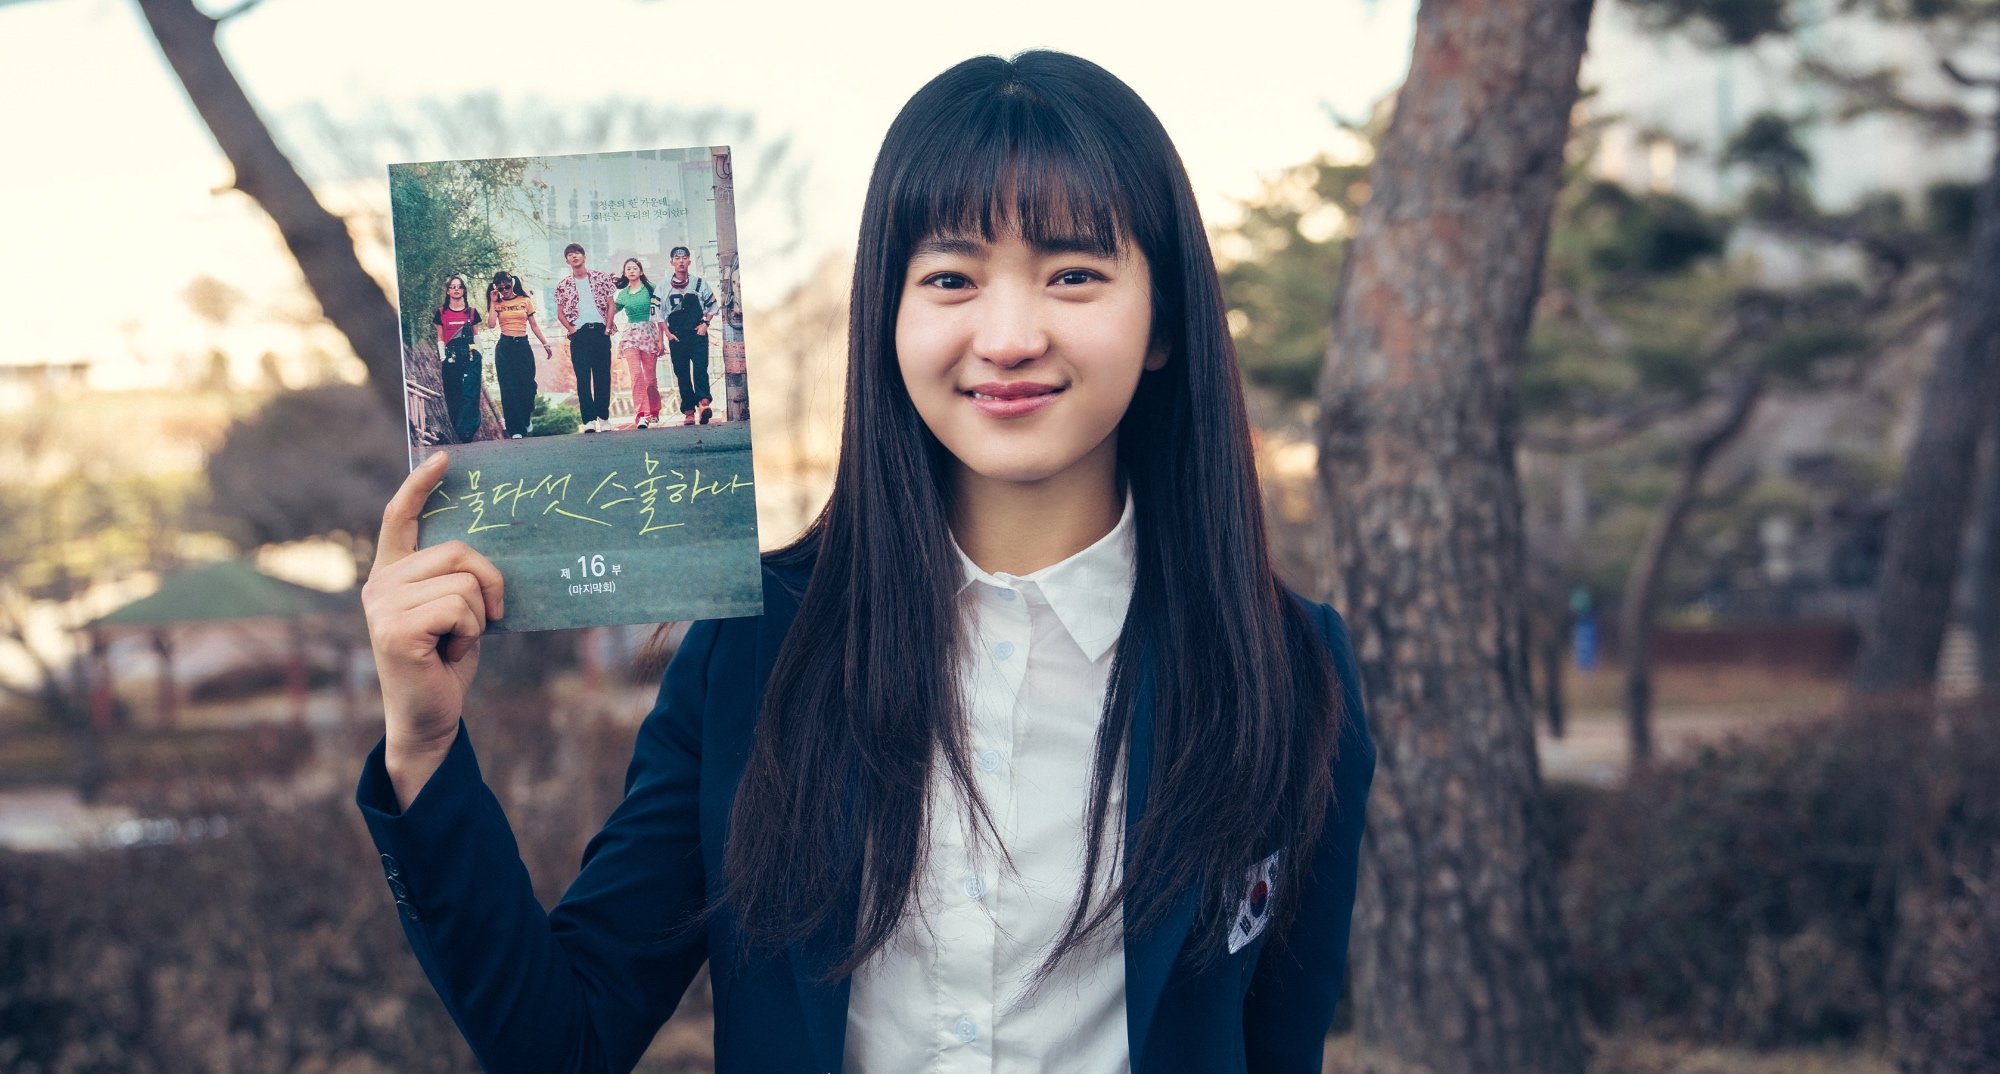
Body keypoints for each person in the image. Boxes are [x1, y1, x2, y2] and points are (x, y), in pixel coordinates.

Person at [358, 50, 1374, 1074]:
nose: (1009, 336)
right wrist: (424, 748)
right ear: (886, 317)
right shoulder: (755, 644)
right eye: (949, 279)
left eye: (1074, 275)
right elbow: (563, 1044)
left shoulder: (1287, 671)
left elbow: (1274, 1050)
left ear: (1162, 323)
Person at [554, 242, 619, 433]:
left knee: (602, 376)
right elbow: (560, 313)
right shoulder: (563, 285)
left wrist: (607, 328)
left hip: (600, 331)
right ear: (567, 260)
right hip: (579, 334)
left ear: (584, 256)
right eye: (570, 255)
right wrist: (571, 329)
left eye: (577, 253)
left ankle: (603, 418)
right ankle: (589, 420)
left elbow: (611, 305)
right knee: (582, 378)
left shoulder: (600, 278)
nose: (574, 257)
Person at [484, 272, 550, 439]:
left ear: (512, 284)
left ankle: (526, 416)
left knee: (528, 386)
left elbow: (534, 325)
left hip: (522, 345)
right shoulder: (497, 303)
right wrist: (492, 302)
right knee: (508, 389)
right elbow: (491, 324)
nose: (505, 290)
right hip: (505, 347)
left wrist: (545, 343)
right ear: (496, 288)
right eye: (501, 288)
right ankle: (516, 429)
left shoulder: (525, 301)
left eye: (507, 286)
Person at [660, 245, 718, 425]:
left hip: (697, 333)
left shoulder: (699, 283)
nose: (681, 261)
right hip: (676, 336)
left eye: (684, 258)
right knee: (682, 373)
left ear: (689, 261)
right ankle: (688, 411)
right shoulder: (663, 286)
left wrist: (705, 324)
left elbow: (713, 306)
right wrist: (667, 334)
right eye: (677, 258)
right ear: (672, 262)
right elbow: (657, 312)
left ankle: (704, 404)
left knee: (701, 368)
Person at [612, 257, 664, 429]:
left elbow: (660, 314)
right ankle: (642, 414)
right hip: (630, 336)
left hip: (649, 332)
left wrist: (661, 340)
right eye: (628, 269)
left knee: (650, 378)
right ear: (625, 273)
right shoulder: (623, 294)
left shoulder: (651, 289)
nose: (632, 271)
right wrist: (608, 323)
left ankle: (654, 412)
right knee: (636, 375)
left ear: (641, 271)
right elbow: (611, 310)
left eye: (635, 268)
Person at [431, 275, 484, 442]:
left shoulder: (472, 312)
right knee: (454, 393)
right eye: (452, 286)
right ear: (448, 291)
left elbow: (476, 335)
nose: (456, 289)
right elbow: (440, 337)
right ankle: (459, 428)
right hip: (450, 355)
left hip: (469, 354)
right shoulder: (441, 313)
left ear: (463, 290)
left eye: (459, 286)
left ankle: (468, 430)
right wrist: (442, 357)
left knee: (470, 392)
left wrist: (478, 354)